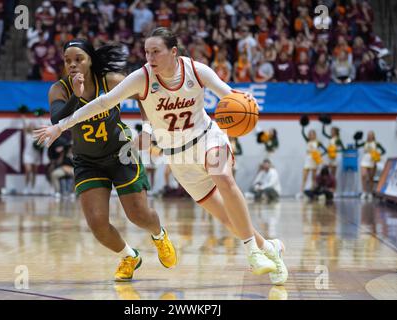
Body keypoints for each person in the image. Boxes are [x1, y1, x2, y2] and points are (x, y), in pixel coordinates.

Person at [34, 28, 288, 285]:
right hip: (177, 156)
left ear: (173, 52)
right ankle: (268, 247)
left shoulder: (197, 71)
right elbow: (102, 103)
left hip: (206, 139)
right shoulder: (140, 78)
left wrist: (246, 103)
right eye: (146, 52)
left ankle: (252, 252)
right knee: (223, 215)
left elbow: (230, 96)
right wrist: (60, 126)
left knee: (222, 176)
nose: (150, 57)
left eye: (156, 52)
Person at [37, 39, 177, 282]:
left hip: (119, 153)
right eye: (68, 60)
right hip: (87, 161)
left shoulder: (110, 80)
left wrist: (146, 130)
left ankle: (159, 235)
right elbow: (57, 119)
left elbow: (143, 95)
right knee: (97, 224)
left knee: (138, 215)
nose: (72, 64)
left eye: (78, 59)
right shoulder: (59, 89)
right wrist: (76, 96)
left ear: (90, 60)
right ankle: (129, 256)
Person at [297, 117, 327, 198]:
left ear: (315, 135)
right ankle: (301, 192)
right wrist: (303, 126)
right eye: (309, 134)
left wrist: (319, 155)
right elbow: (303, 134)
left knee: (314, 178)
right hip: (307, 159)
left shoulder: (318, 142)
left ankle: (312, 192)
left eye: (312, 134)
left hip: (314, 160)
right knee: (305, 177)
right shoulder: (308, 141)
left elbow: (325, 150)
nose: (311, 135)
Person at [355, 131, 386, 200]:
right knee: (363, 176)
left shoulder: (376, 143)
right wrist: (356, 140)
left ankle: (370, 192)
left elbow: (384, 151)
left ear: (373, 136)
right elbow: (357, 146)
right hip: (364, 160)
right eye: (368, 135)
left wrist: (378, 155)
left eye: (371, 135)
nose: (369, 136)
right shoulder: (365, 143)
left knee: (371, 177)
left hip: (372, 161)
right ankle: (364, 192)